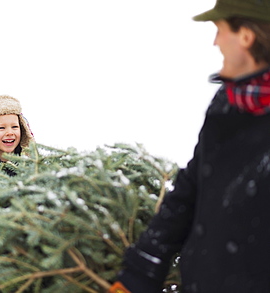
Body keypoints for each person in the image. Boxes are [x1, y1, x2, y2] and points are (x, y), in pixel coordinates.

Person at [109, 0, 270, 292]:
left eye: (220, 31)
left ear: (246, 36)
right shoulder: (228, 104)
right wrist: (142, 271)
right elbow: (191, 189)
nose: (215, 42)